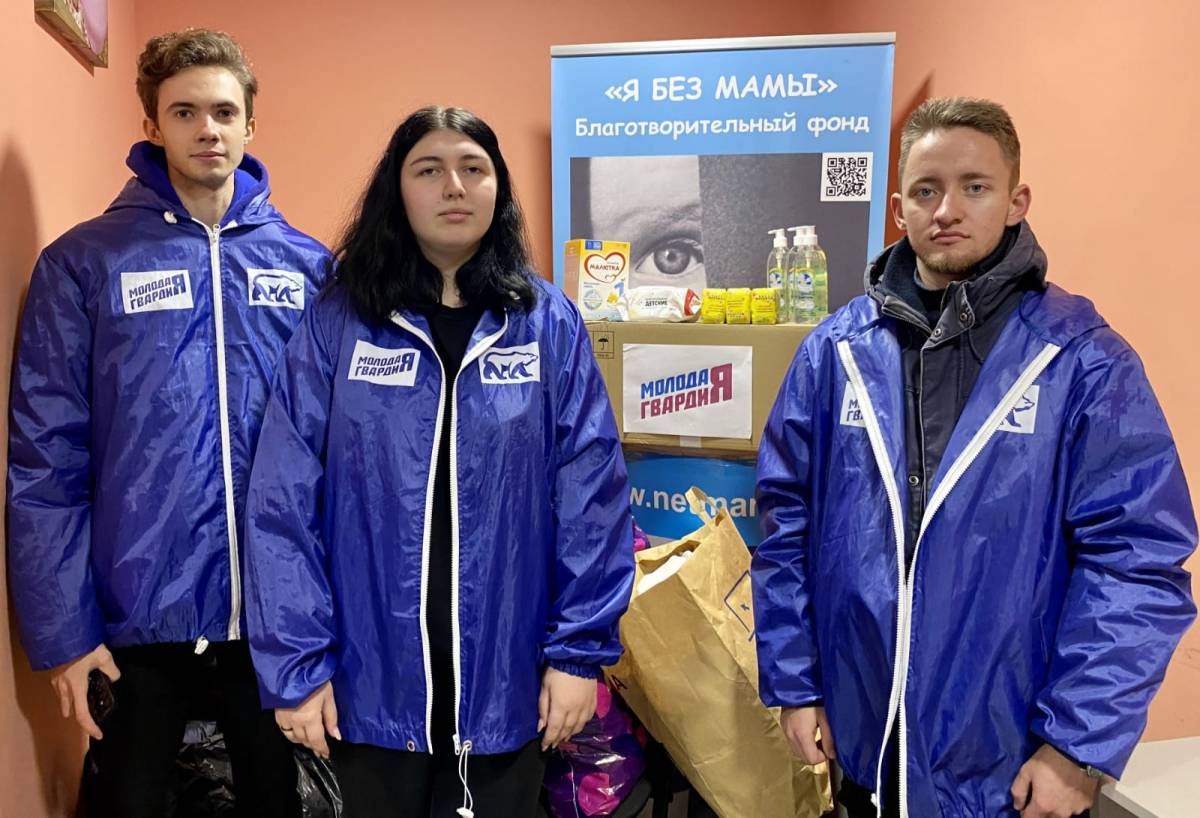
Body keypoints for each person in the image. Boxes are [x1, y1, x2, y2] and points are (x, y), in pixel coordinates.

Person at [751, 97, 1196, 818]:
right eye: (926, 190)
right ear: (899, 209)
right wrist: (796, 685)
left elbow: (1136, 560)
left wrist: (1075, 745)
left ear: (1017, 201)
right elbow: (786, 529)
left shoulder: (1082, 362)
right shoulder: (833, 354)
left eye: (975, 187)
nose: (947, 210)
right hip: (864, 753)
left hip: (1012, 772)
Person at [243, 105, 634, 818]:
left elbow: (592, 496)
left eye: (472, 168)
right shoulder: (339, 322)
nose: (454, 185)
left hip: (510, 687)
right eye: (429, 169)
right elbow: (281, 502)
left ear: (498, 189)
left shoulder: (547, 324)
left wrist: (577, 656)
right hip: (368, 687)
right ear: (397, 191)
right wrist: (297, 666)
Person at [6, 29, 329, 818]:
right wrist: (65, 634)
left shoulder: (308, 268)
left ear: (251, 123)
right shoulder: (82, 264)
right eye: (184, 112)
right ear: (151, 125)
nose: (207, 130)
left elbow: (343, 454)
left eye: (223, 112)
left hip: (274, 619)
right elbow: (45, 458)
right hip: (134, 616)